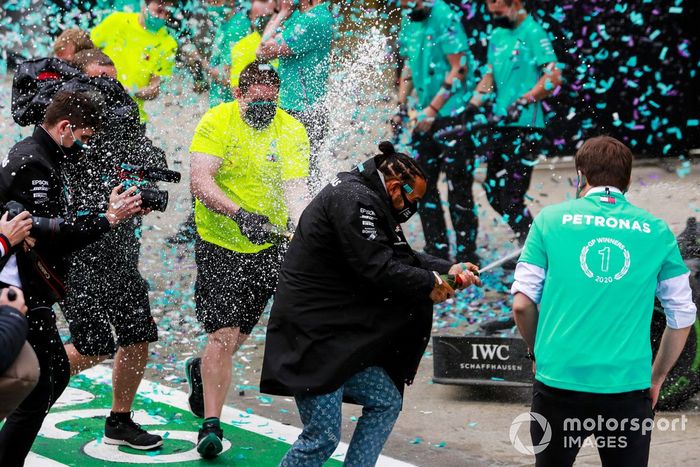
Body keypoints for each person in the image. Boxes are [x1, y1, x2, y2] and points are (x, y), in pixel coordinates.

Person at [260, 141, 481, 466]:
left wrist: (447, 268)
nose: (413, 207)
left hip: (336, 338)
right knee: (321, 437)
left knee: (385, 401)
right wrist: (432, 284)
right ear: (395, 187)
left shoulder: (367, 195)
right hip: (312, 338)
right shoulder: (355, 200)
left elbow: (401, 255)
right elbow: (378, 267)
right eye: (413, 199)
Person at [511, 136, 697, 467]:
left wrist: (536, 351)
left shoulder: (549, 220)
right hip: (628, 387)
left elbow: (522, 304)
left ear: (580, 175)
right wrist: (656, 378)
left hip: (558, 380)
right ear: (628, 180)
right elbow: (682, 317)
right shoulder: (657, 231)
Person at [0, 91, 142, 466]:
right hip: (17, 291)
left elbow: (49, 225)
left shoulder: (45, 153)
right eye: (84, 136)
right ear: (65, 127)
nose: (85, 146)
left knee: (51, 375)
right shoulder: (32, 161)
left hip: (30, 288)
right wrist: (108, 219)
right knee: (42, 381)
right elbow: (47, 230)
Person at [183, 61, 310, 459]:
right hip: (219, 239)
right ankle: (211, 425)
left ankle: (201, 369)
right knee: (223, 332)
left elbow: (296, 191)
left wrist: (304, 228)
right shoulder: (218, 121)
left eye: (270, 104)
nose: (264, 111)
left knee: (237, 336)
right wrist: (239, 215)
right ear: (239, 96)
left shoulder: (291, 129)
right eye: (256, 103)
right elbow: (200, 181)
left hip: (267, 245)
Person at [58, 49, 168, 450]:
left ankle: (119, 420)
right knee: (92, 344)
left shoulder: (124, 122)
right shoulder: (67, 136)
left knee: (138, 333)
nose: (108, 87)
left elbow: (148, 155)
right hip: (78, 256)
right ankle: (17, 392)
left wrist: (146, 166)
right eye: (98, 80)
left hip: (122, 255)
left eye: (113, 79)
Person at [468, 0, 561, 248]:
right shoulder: (497, 34)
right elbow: (489, 76)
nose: (491, 12)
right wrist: (473, 105)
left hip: (526, 127)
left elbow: (553, 77)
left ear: (515, 3)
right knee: (491, 189)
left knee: (512, 196)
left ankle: (533, 248)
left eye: (497, 8)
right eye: (487, 6)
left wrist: (523, 101)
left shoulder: (534, 32)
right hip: (500, 126)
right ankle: (530, 243)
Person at [395, 0, 478, 264]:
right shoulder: (409, 17)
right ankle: (437, 251)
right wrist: (400, 105)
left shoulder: (444, 15)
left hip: (452, 115)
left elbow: (460, 68)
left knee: (459, 187)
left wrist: (432, 109)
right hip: (423, 117)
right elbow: (408, 67)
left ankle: (466, 253)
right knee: (421, 186)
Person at [257, 0, 335, 191]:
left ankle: (306, 220)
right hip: (295, 108)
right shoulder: (302, 17)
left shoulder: (314, 19)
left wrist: (282, 14)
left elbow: (262, 51)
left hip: (303, 112)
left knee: (301, 180)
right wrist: (283, 13)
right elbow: (262, 49)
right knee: (287, 174)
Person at [91, 0, 179, 122]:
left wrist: (132, 92)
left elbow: (154, 88)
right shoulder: (117, 21)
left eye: (167, 13)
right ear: (144, 4)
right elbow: (87, 52)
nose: (162, 17)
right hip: (95, 107)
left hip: (131, 116)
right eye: (158, 10)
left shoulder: (168, 44)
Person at [230, 0, 277, 89]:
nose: (264, 21)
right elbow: (237, 88)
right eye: (260, 18)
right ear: (251, 17)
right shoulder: (241, 47)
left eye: (269, 16)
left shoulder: (283, 40)